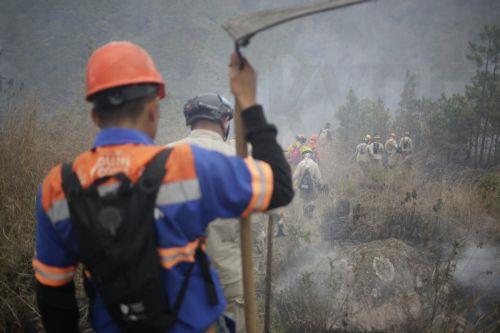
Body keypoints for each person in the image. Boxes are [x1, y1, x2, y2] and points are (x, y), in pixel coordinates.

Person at [33, 41, 293, 333]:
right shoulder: (190, 167)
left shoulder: (57, 187)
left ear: (95, 116)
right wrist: (250, 104)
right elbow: (280, 186)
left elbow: (53, 295)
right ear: (154, 110)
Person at [167, 93, 244, 332]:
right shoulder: (238, 159)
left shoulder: (161, 156)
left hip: (175, 283)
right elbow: (273, 206)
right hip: (227, 280)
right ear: (224, 120)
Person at [293, 146, 323, 218]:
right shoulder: (314, 164)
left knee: (304, 200)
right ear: (311, 155)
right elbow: (319, 177)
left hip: (303, 186)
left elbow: (295, 176)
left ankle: (306, 215)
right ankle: (311, 207)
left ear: (303, 155)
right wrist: (321, 185)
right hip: (312, 186)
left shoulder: (300, 164)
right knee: (311, 199)